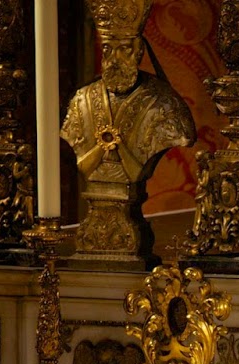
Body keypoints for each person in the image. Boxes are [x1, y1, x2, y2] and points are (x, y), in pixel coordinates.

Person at [60, 0, 195, 256]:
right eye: (108, 48)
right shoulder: (81, 100)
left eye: (124, 48)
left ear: (139, 50)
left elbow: (182, 135)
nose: (114, 59)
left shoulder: (164, 103)